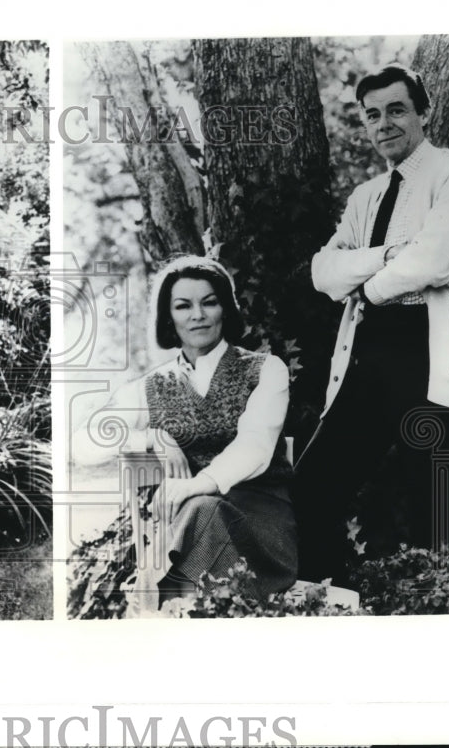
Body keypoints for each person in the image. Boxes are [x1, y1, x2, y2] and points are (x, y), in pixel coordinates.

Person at [293, 64, 449, 586]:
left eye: (397, 110)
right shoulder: (366, 197)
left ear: (424, 112)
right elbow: (322, 271)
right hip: (369, 351)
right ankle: (331, 601)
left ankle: (443, 612)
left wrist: (366, 285)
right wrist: (388, 255)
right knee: (314, 484)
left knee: (435, 508)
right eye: (373, 114)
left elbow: (434, 262)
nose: (384, 124)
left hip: (430, 351)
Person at [69, 256, 298, 617]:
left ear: (225, 309)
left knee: (201, 509)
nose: (198, 315)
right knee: (199, 513)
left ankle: (167, 615)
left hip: (260, 529)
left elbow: (255, 445)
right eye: (183, 306)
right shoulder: (151, 387)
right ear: (168, 317)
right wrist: (151, 438)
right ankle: (195, 616)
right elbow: (83, 444)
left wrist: (196, 484)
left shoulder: (266, 370)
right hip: (188, 528)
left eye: (209, 302)